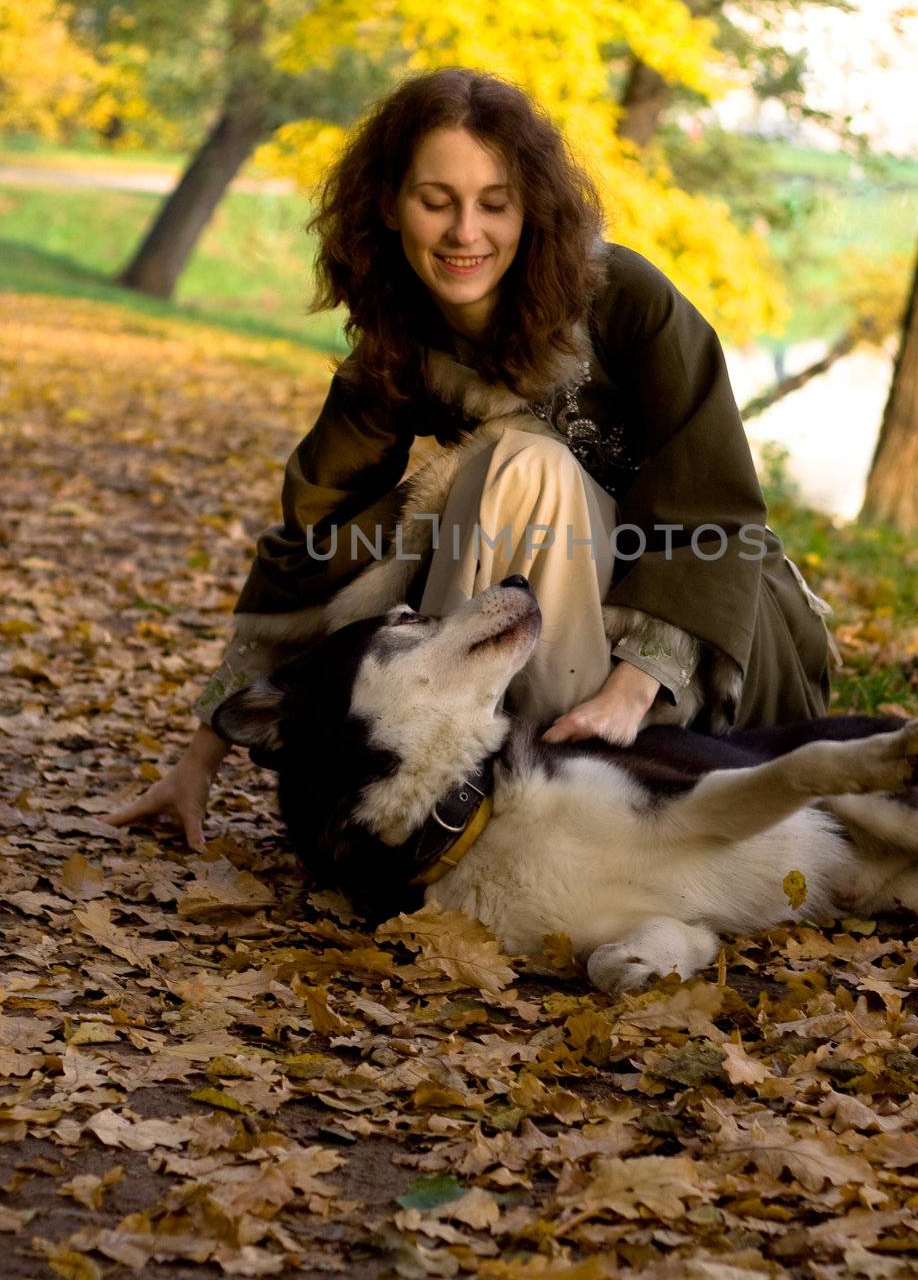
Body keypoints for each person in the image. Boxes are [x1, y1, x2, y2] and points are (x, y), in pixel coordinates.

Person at [108, 67, 834, 851]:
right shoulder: (399, 341)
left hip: (697, 653)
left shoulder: (629, 299)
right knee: (483, 478)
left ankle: (528, 782)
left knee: (525, 464)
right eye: (436, 201)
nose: (465, 233)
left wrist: (631, 689)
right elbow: (318, 537)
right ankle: (469, 772)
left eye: (495, 202)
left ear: (531, 207)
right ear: (389, 205)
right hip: (529, 632)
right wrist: (200, 762)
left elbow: (717, 513)